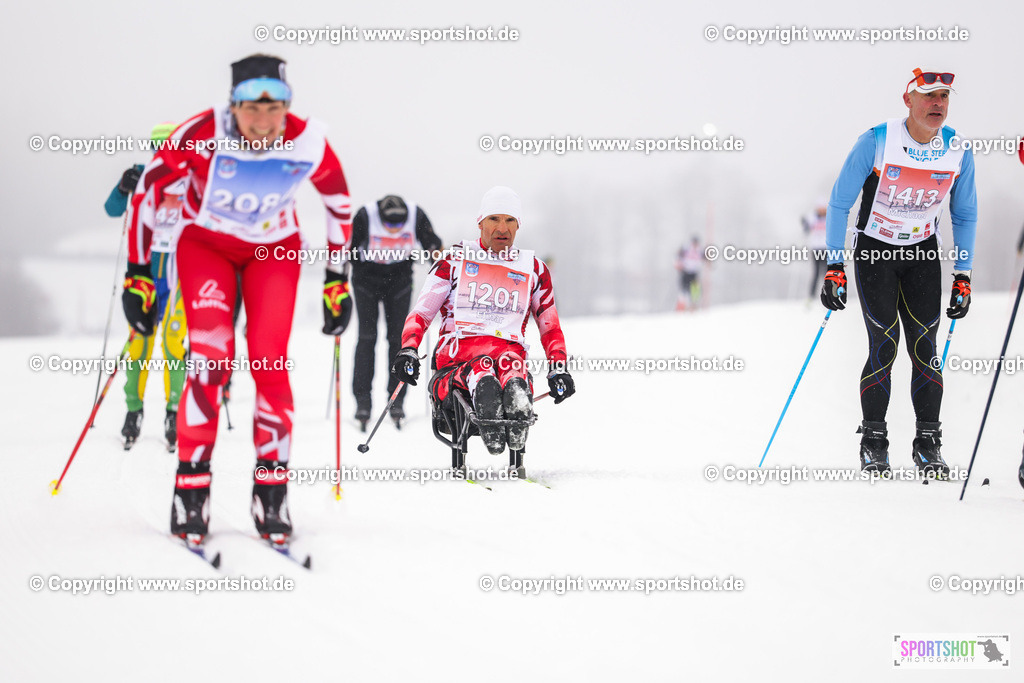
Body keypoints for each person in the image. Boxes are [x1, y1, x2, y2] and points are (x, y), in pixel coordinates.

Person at [123, 54, 353, 547]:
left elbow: (339, 204)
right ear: (234, 105)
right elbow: (147, 195)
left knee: (270, 361)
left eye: (276, 109)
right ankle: (192, 486)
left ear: (288, 106)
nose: (265, 122)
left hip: (274, 251)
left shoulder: (308, 140)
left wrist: (337, 279)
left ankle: (271, 490)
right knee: (210, 359)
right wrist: (138, 274)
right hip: (207, 247)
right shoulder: (200, 133)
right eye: (253, 109)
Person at [820, 68, 977, 479]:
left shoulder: (957, 148)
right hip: (875, 251)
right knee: (884, 345)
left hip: (922, 253)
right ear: (908, 101)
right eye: (929, 96)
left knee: (926, 348)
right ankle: (874, 442)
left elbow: (965, 213)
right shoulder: (876, 141)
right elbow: (839, 203)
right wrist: (834, 267)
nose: (937, 104)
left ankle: (928, 444)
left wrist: (964, 274)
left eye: (944, 96)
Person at [391, 186, 575, 468]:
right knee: (484, 367)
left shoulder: (534, 269)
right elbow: (422, 313)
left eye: (510, 220)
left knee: (510, 366)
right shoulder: (453, 261)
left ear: (518, 225)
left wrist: (558, 367)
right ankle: (484, 387)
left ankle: (513, 400)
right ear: (480, 222)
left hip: (508, 358)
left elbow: (549, 326)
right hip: (455, 363)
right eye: (494, 219)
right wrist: (409, 349)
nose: (502, 228)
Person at [105, 122, 188, 451]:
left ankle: (173, 412)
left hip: (178, 275)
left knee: (172, 342)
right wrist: (124, 187)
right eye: (158, 149)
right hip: (143, 275)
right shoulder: (141, 175)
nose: (163, 156)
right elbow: (112, 209)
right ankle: (134, 411)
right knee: (139, 344)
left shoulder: (191, 177)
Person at [349, 195, 443, 430]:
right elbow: (346, 249)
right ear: (381, 217)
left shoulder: (415, 214)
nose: (394, 229)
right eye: (389, 225)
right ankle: (363, 402)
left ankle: (397, 399)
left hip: (398, 281)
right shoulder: (365, 215)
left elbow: (433, 245)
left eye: (398, 226)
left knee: (398, 340)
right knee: (367, 337)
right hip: (365, 280)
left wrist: (441, 271)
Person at [802, 200, 828, 300]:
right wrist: (804, 223)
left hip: (826, 249)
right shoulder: (813, 217)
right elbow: (806, 226)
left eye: (823, 208)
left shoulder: (828, 217)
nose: (821, 210)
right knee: (816, 273)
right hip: (816, 249)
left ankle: (826, 294)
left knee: (826, 273)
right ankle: (811, 296)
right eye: (820, 208)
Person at [675, 236, 704, 310]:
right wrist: (678, 264)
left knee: (695, 291)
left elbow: (705, 258)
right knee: (683, 290)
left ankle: (693, 306)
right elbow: (678, 257)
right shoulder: (686, 249)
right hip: (685, 272)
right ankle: (681, 307)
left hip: (694, 273)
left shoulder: (699, 251)